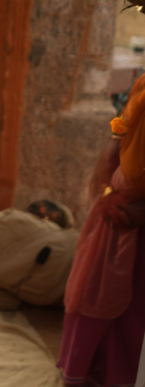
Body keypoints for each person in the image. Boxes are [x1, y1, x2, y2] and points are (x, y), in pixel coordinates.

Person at [57, 74, 145, 386]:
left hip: (134, 213)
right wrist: (112, 154)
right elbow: (121, 125)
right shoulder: (141, 84)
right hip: (122, 211)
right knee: (102, 294)